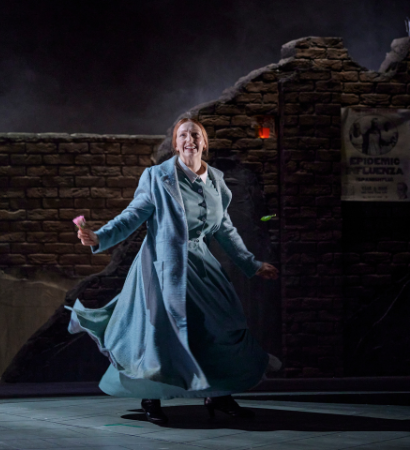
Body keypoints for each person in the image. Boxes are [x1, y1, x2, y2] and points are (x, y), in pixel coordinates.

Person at [68, 117, 280, 425]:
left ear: (204, 142)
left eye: (195, 134)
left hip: (201, 264)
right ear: (175, 143)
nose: (189, 139)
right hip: (162, 265)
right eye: (182, 135)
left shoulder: (216, 180)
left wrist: (252, 264)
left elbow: (224, 228)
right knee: (158, 334)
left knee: (221, 327)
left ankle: (218, 394)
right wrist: (100, 237)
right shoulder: (157, 177)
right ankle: (151, 397)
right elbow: (133, 215)